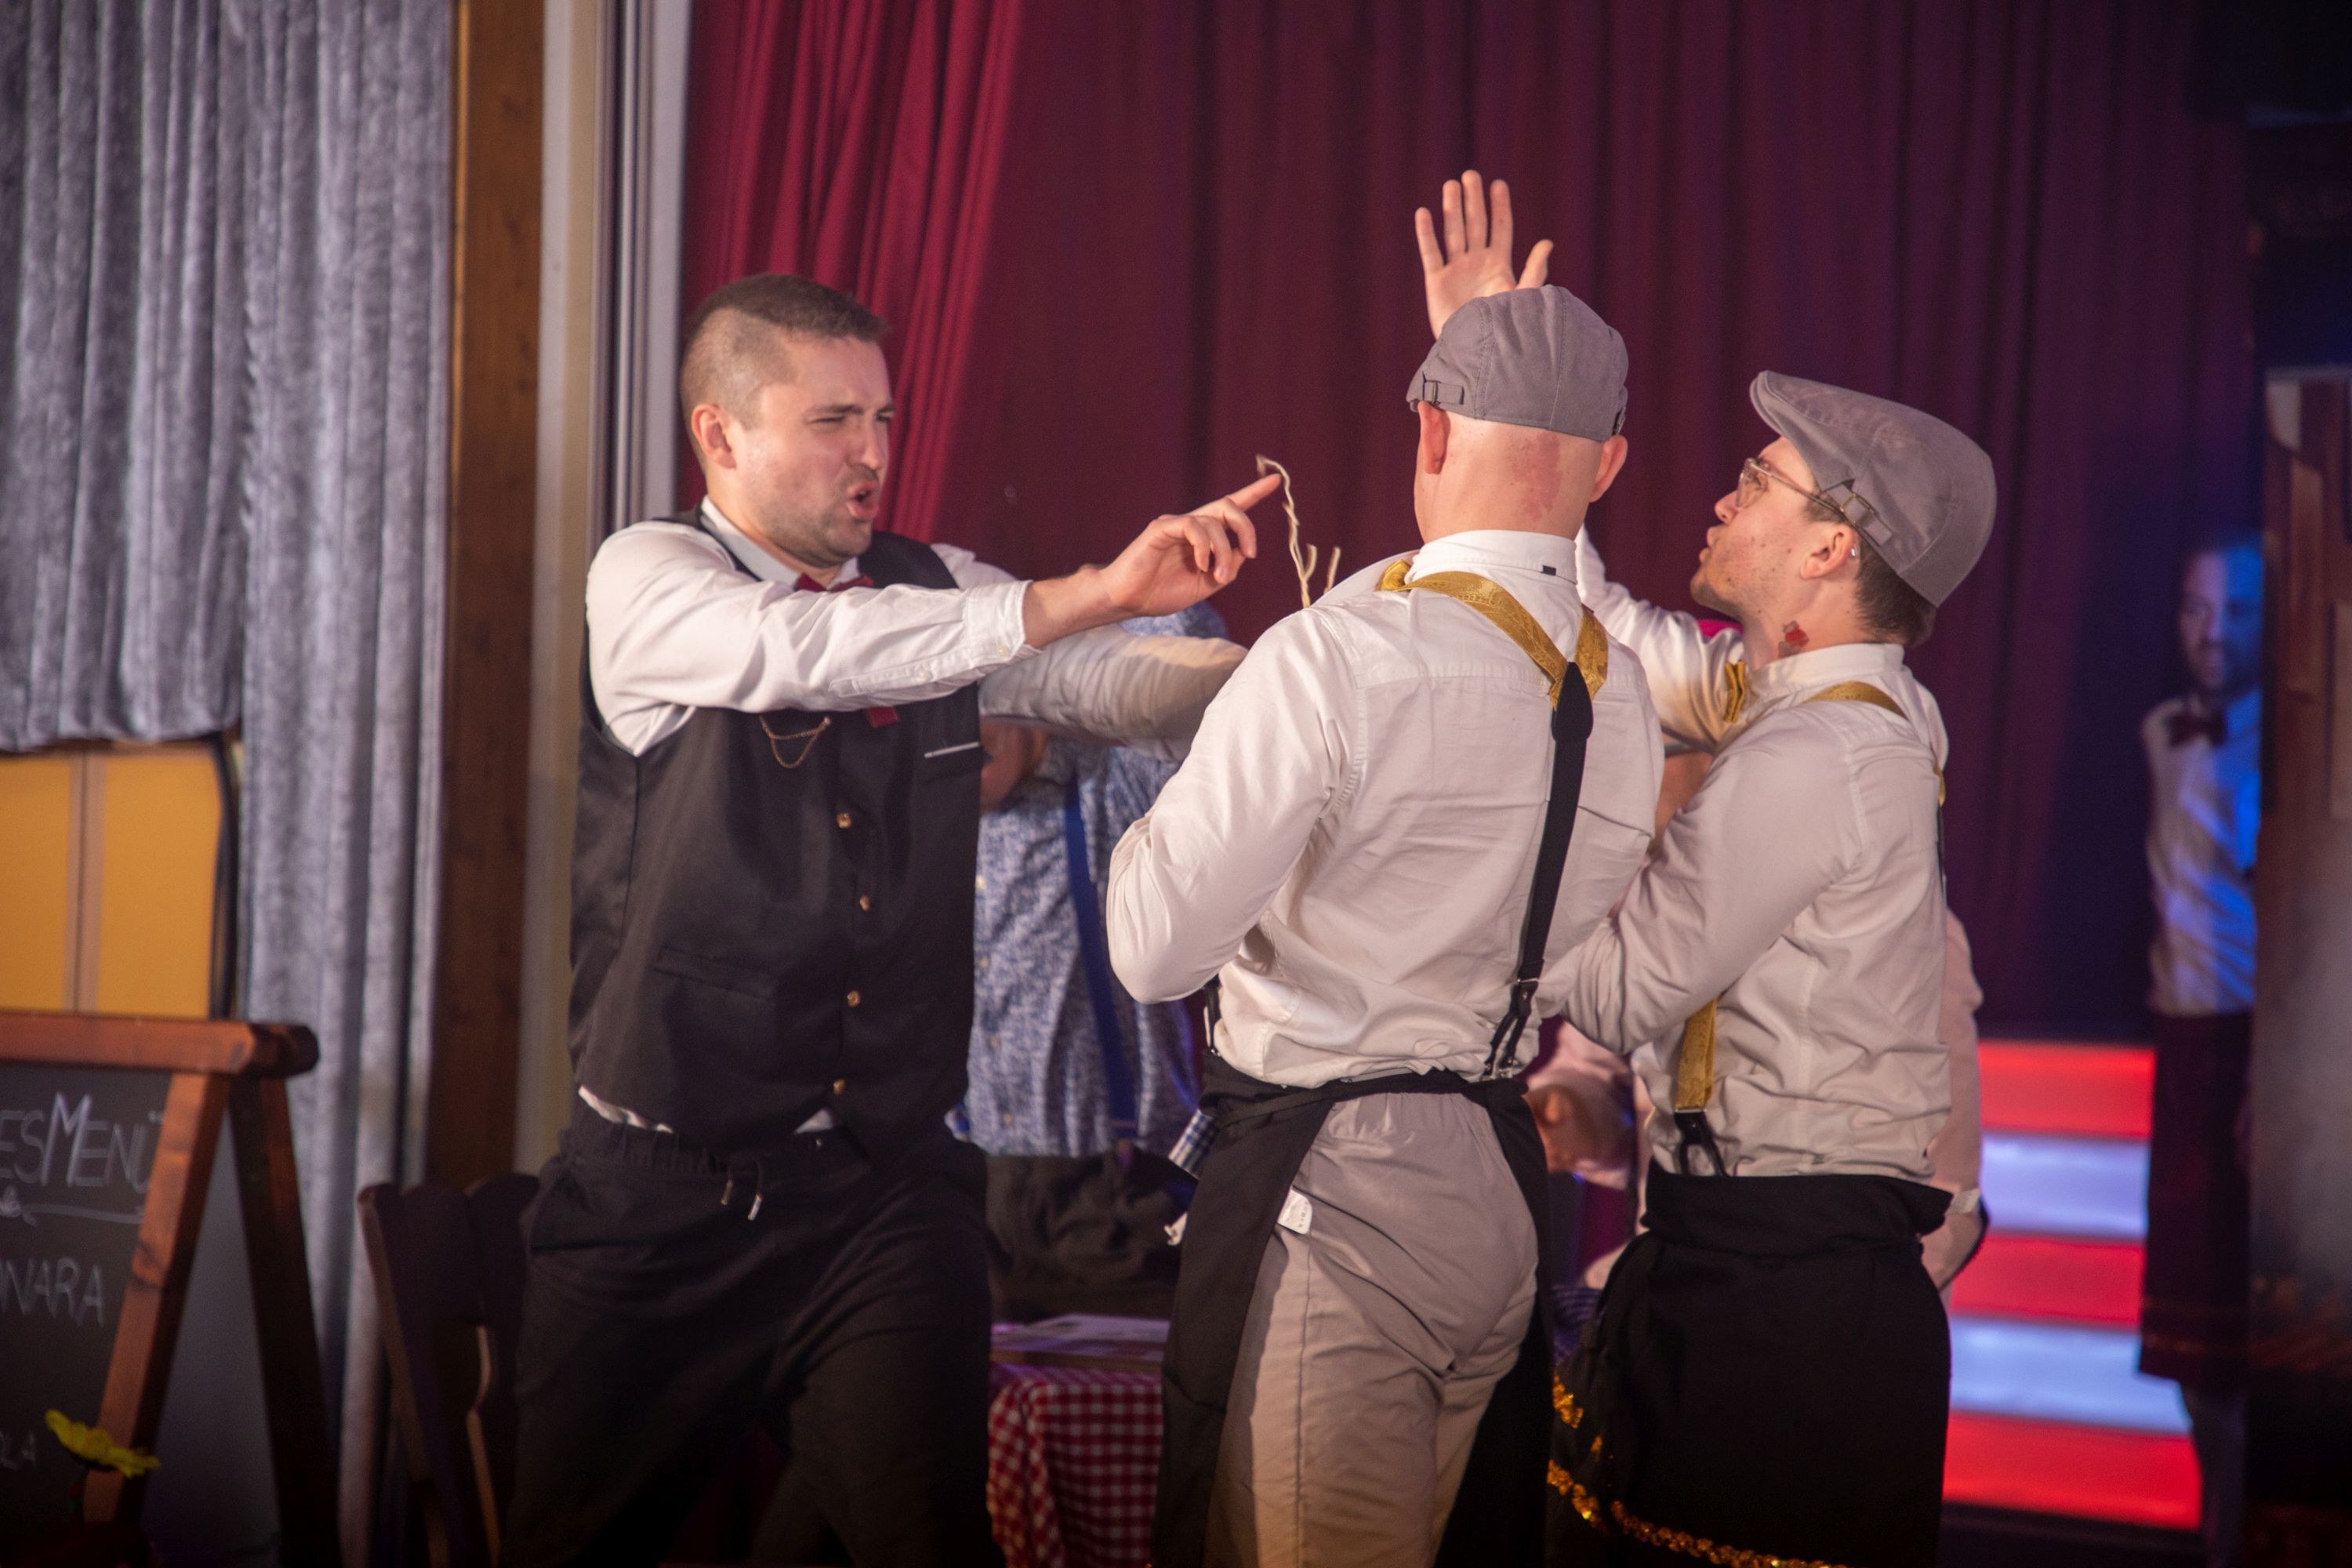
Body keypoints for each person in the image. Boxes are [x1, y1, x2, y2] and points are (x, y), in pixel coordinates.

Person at [503, 271, 1276, 1566]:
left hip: (881, 1193)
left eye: (883, 419)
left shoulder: (933, 585)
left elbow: (1095, 682)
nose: (872, 452)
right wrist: (1091, 587)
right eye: (832, 421)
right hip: (661, 1203)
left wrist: (1305, 678)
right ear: (719, 435)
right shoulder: (648, 577)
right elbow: (810, 652)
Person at [1420, 173, 1996, 1565]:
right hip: (1735, 1253)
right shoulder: (1803, 700)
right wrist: (1502, 389)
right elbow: (1608, 625)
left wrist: (1485, 838)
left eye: (1757, 482)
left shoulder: (1825, 751)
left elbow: (1620, 992)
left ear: (1832, 546)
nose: (1723, 497)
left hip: (1788, 1288)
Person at [1108, 283, 1664, 1568]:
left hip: (1339, 1194)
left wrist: (1187, 768)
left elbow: (1153, 948)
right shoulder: (1627, 692)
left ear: (1430, 430)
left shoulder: (1332, 657)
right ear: (1609, 467)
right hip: (1501, 1191)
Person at [965, 603, 1226, 1322]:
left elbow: (1187, 662)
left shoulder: (1111, 778)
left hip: (1113, 1199)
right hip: (975, 1197)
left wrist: (1032, 650)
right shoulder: (936, 812)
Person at [2140, 531, 2262, 1568]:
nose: (2212, 633)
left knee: (2248, 1332)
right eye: (2196, 607)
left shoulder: (2294, 739)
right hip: (2179, 1047)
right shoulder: (2159, 732)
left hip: (2253, 1051)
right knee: (2185, 1332)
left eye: (2238, 612)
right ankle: (2216, 1533)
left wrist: (2279, 1076)